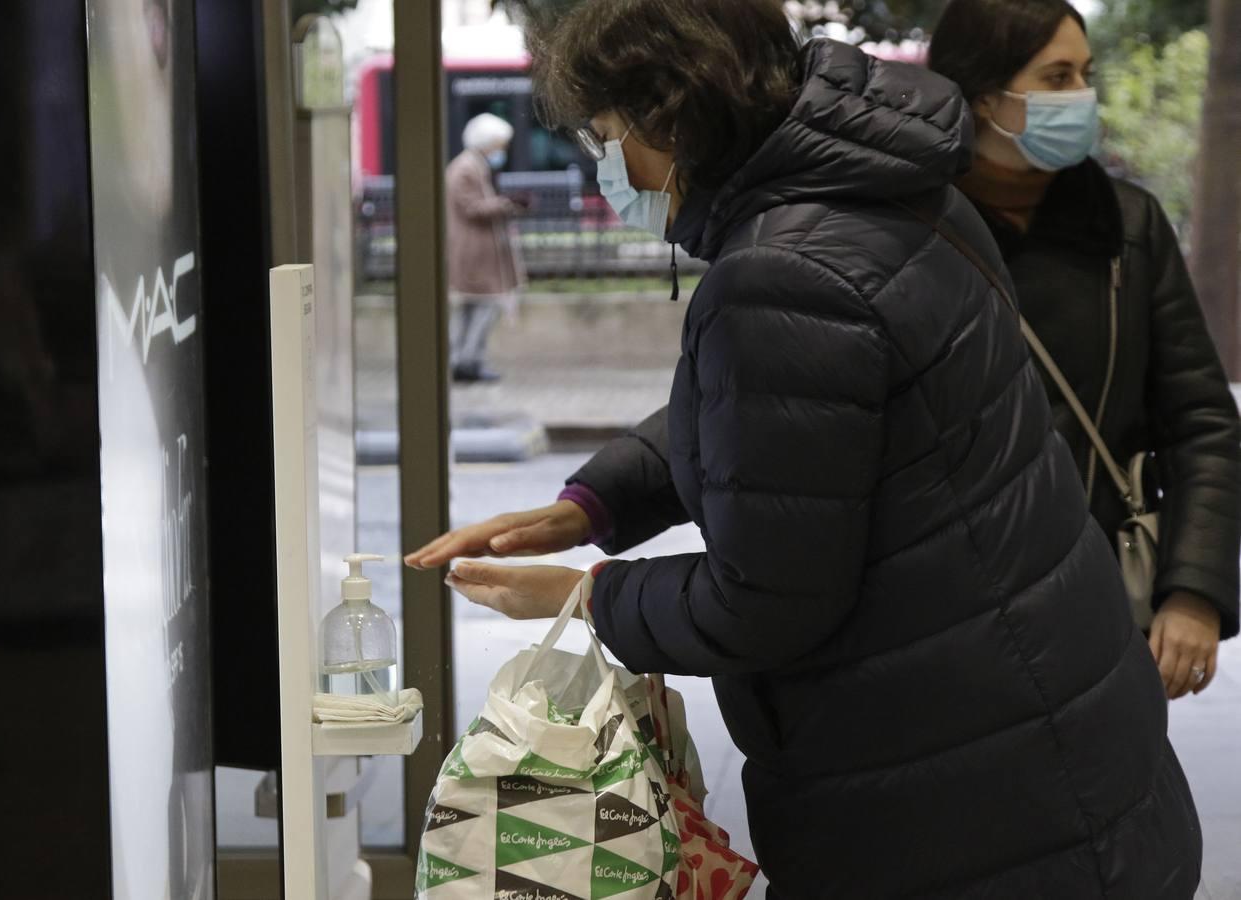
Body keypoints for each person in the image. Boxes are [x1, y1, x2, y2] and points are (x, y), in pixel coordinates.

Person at [408, 0, 1202, 895]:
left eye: (603, 133)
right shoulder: (886, 186)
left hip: (967, 802)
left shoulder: (780, 272)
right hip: (1055, 740)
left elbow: (768, 601)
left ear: (667, 119)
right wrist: (590, 506)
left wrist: (591, 599)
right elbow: (794, 416)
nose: (604, 164)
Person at [927, 0, 1241, 700]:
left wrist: (1193, 589)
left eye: (1085, 74)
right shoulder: (907, 231)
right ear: (982, 97)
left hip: (1098, 612)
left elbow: (1201, 423)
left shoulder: (1125, 227)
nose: (1081, 97)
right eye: (1057, 77)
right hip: (941, 621)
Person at [445, 112, 525, 383]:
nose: (502, 150)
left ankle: (465, 361)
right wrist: (504, 204)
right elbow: (470, 207)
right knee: (483, 306)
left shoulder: (473, 165)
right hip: (474, 253)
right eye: (499, 144)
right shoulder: (466, 168)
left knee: (472, 309)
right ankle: (467, 362)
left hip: (477, 252)